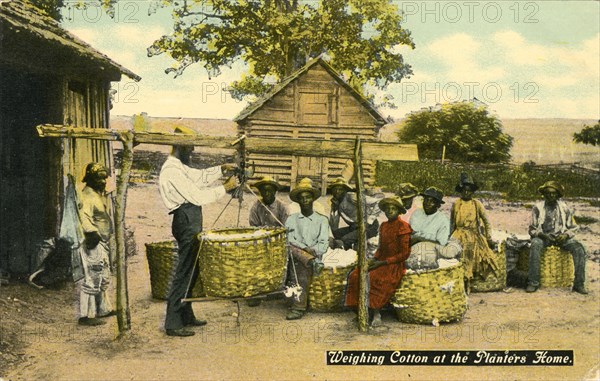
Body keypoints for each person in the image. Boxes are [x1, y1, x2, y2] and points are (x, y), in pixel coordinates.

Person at [159, 126, 239, 337]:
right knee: (184, 270)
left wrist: (221, 169)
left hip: (190, 216)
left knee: (192, 269)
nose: (192, 152)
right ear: (180, 146)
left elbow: (198, 177)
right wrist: (226, 188)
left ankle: (186, 315)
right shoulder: (171, 170)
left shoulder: (179, 167)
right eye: (190, 148)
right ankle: (173, 322)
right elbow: (196, 195)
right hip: (185, 217)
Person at [345, 196, 412, 327]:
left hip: (394, 264)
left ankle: (376, 313)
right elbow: (381, 248)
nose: (390, 211)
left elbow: (405, 253)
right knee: (355, 275)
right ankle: (361, 310)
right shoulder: (384, 226)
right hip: (381, 260)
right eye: (388, 209)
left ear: (399, 211)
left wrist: (383, 262)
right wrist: (374, 259)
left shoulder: (403, 226)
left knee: (374, 278)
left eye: (393, 209)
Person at [526, 181, 587, 294]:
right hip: (544, 237)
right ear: (544, 195)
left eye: (554, 193)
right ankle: (533, 282)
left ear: (558, 195)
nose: (551, 196)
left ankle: (579, 284)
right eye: (548, 193)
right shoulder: (537, 208)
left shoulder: (564, 208)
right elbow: (532, 229)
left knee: (579, 248)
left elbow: (573, 227)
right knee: (535, 244)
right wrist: (542, 235)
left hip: (560, 237)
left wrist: (565, 235)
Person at [284, 178, 329, 320]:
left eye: (308, 197)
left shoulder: (322, 220)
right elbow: (290, 239)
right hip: (298, 254)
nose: (305, 200)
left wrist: (312, 251)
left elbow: (323, 244)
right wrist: (305, 250)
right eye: (301, 198)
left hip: (315, 256)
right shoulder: (292, 219)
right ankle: (309, 261)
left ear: (313, 199)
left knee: (300, 265)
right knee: (288, 247)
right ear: (297, 200)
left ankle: (299, 307)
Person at [77, 162, 115, 326]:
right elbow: (84, 218)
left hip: (101, 241)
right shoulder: (87, 196)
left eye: (104, 179)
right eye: (99, 178)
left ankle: (103, 309)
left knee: (102, 275)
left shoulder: (97, 194)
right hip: (93, 240)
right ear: (90, 179)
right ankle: (86, 315)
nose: (103, 182)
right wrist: (93, 234)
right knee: (92, 277)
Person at [450, 173, 499, 291]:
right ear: (461, 191)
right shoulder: (456, 204)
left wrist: (488, 237)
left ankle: (469, 280)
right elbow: (452, 222)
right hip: (459, 233)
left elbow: (486, 222)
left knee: (478, 254)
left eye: (469, 191)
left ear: (472, 192)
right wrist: (448, 237)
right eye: (464, 191)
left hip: (473, 234)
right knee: (454, 254)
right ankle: (459, 280)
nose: (466, 193)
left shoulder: (477, 204)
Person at [247, 175, 289, 306]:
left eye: (270, 190)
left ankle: (276, 288)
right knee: (252, 259)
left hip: (278, 242)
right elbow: (253, 227)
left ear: (275, 192)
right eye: (264, 191)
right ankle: (256, 292)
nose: (267, 193)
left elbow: (286, 228)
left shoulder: (282, 207)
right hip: (260, 241)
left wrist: (274, 237)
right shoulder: (256, 207)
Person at [408, 187, 461, 269]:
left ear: (438, 205)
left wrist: (420, 238)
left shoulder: (443, 220)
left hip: (431, 250)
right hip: (413, 248)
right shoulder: (416, 214)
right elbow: (410, 234)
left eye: (432, 201)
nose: (428, 203)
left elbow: (441, 243)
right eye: (426, 200)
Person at [327, 177, 380, 250]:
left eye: (340, 189)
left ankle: (352, 249)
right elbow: (334, 226)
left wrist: (369, 220)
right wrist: (335, 208)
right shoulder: (336, 202)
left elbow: (377, 202)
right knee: (337, 233)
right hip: (354, 227)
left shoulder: (351, 196)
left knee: (345, 239)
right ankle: (353, 245)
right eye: (335, 189)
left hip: (369, 226)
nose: (337, 191)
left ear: (345, 190)